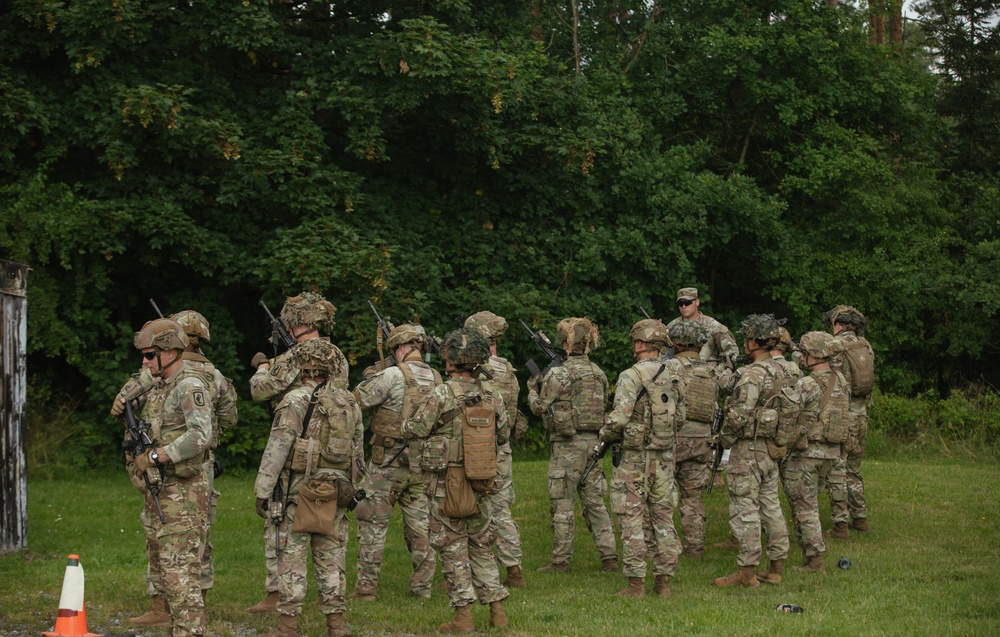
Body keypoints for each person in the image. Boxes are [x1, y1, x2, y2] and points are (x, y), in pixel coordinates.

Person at [246, 292, 352, 614]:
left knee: (280, 523)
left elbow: (260, 390)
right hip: (331, 452)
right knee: (331, 527)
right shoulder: (338, 356)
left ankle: (278, 594)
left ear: (300, 323)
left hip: (295, 439)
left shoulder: (300, 356)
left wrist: (263, 367)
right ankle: (330, 595)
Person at [401, 328, 510, 633]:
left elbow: (415, 429)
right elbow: (503, 434)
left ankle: (463, 616)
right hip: (483, 479)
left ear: (449, 360)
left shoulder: (441, 393)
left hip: (447, 483)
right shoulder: (492, 394)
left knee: (451, 545)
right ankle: (497, 610)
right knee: (481, 543)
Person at [253, 338, 362, 637]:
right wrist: (350, 487)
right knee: (332, 560)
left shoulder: (294, 400)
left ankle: (288, 626)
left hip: (296, 494)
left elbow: (277, 448)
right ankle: (336, 625)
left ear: (302, 368)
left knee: (292, 559)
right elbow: (358, 451)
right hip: (334, 492)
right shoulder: (349, 401)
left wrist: (262, 491)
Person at [125, 318, 214, 637]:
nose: (144, 361)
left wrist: (155, 456)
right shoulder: (160, 385)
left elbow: (200, 436)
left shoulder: (190, 386)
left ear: (170, 351)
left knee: (182, 580)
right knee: (167, 575)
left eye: (150, 355)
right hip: (161, 491)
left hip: (184, 496)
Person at [350, 324, 440, 601]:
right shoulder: (437, 377)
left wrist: (370, 376)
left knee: (373, 524)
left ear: (400, 348)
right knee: (421, 529)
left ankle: (366, 589)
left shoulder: (391, 374)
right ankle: (422, 587)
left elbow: (357, 399)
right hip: (421, 465)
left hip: (386, 464)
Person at [599, 319, 685, 597]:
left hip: (634, 459)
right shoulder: (675, 374)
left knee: (632, 519)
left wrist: (604, 432)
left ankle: (636, 584)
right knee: (664, 519)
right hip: (663, 457)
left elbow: (621, 417)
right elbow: (680, 417)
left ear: (638, 343)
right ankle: (664, 583)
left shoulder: (630, 375)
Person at [527, 318, 617, 573]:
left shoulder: (559, 373)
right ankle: (609, 557)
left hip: (567, 447)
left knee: (562, 505)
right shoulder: (598, 373)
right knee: (595, 504)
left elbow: (539, 408)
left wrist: (533, 388)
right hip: (594, 446)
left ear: (566, 343)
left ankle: (560, 561)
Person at [713, 314, 791, 588]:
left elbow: (739, 415)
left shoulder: (752, 374)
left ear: (752, 341)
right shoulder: (787, 370)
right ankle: (776, 567)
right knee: (771, 507)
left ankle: (746, 574)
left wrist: (724, 440)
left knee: (744, 508)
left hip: (748, 450)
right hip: (773, 449)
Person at [464, 311, 527, 588]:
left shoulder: (471, 368)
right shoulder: (508, 370)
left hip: (474, 448)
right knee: (501, 509)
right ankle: (514, 568)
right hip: (502, 447)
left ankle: (466, 568)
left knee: (465, 507)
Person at [781, 331, 850, 572]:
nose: (803, 358)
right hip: (832, 454)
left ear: (814, 356)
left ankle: (816, 560)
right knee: (809, 504)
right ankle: (809, 556)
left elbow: (789, 411)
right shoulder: (840, 379)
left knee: (805, 507)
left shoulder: (807, 383)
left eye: (806, 354)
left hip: (808, 454)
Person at [667, 321, 723, 559]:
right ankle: (695, 550)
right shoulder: (712, 371)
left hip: (673, 438)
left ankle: (665, 548)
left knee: (663, 496)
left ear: (676, 343)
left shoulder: (669, 368)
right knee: (693, 498)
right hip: (702, 440)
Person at [823, 305, 875, 537]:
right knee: (853, 468)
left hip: (842, 415)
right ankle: (860, 518)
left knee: (836, 468)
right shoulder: (866, 346)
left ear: (838, 325)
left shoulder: (836, 345)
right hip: (861, 414)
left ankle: (840, 525)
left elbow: (812, 361)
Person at [665, 287, 739, 361]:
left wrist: (719, 370)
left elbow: (732, 352)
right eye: (680, 304)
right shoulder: (671, 327)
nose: (684, 306)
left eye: (687, 302)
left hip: (708, 370)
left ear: (697, 302)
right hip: (677, 370)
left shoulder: (713, 326)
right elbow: (663, 354)